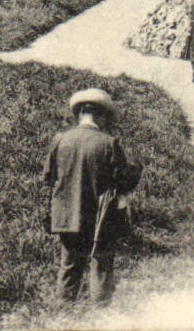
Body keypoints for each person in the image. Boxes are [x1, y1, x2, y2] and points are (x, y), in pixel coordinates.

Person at [42, 88, 142, 306]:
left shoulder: (60, 140)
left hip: (67, 215)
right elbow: (123, 180)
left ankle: (63, 314)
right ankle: (101, 317)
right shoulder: (109, 143)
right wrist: (136, 168)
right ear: (101, 116)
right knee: (101, 265)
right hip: (100, 216)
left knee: (69, 265)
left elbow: (49, 177)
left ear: (80, 114)